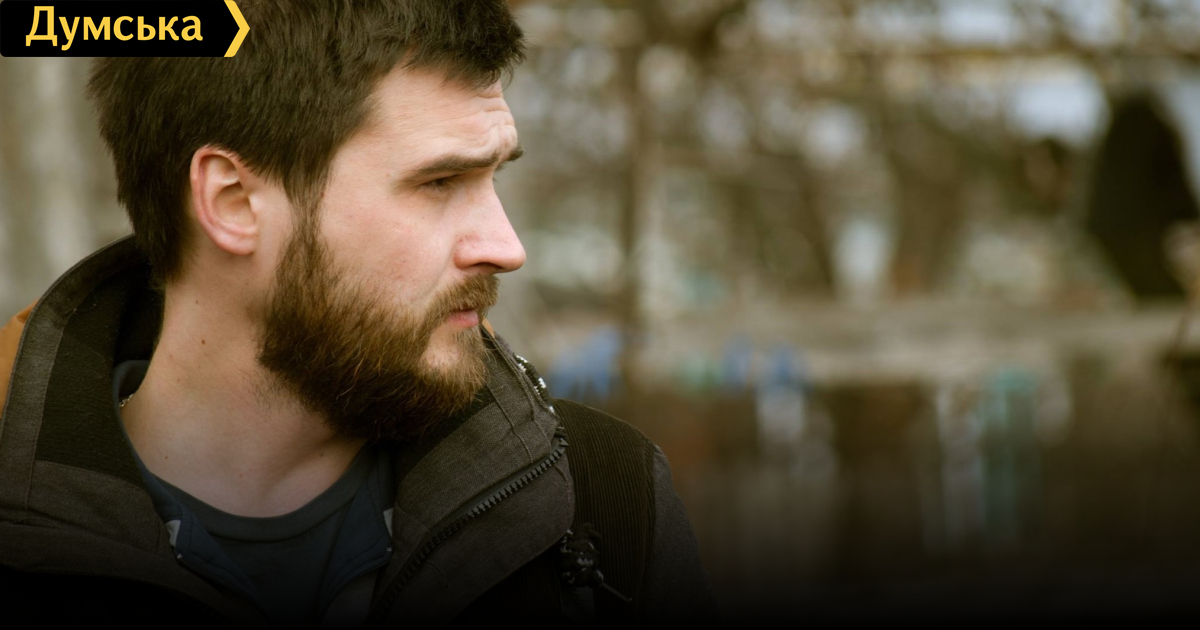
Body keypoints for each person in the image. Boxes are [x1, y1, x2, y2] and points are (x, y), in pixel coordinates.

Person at [0, 0, 716, 625]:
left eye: (493, 176)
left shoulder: (603, 506)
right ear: (233, 202)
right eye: (440, 181)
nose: (506, 247)